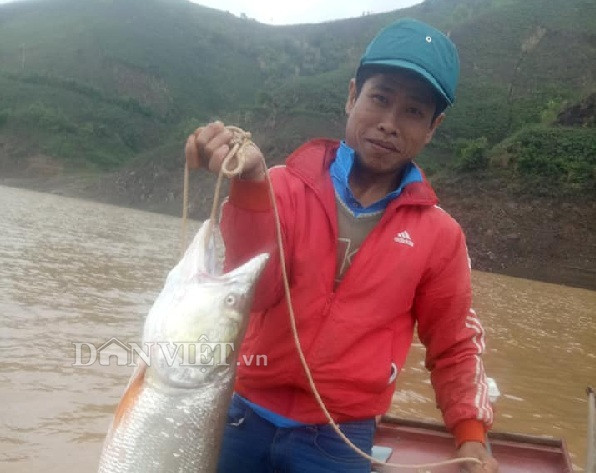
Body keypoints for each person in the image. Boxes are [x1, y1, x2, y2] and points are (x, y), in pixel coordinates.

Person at [185, 18, 498, 473]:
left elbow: (453, 344)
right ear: (353, 95)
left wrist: (470, 436)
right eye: (380, 98)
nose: (389, 123)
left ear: (434, 127)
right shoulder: (281, 186)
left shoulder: (440, 236)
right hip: (241, 414)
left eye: (413, 111)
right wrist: (250, 185)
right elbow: (255, 289)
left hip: (339, 436)